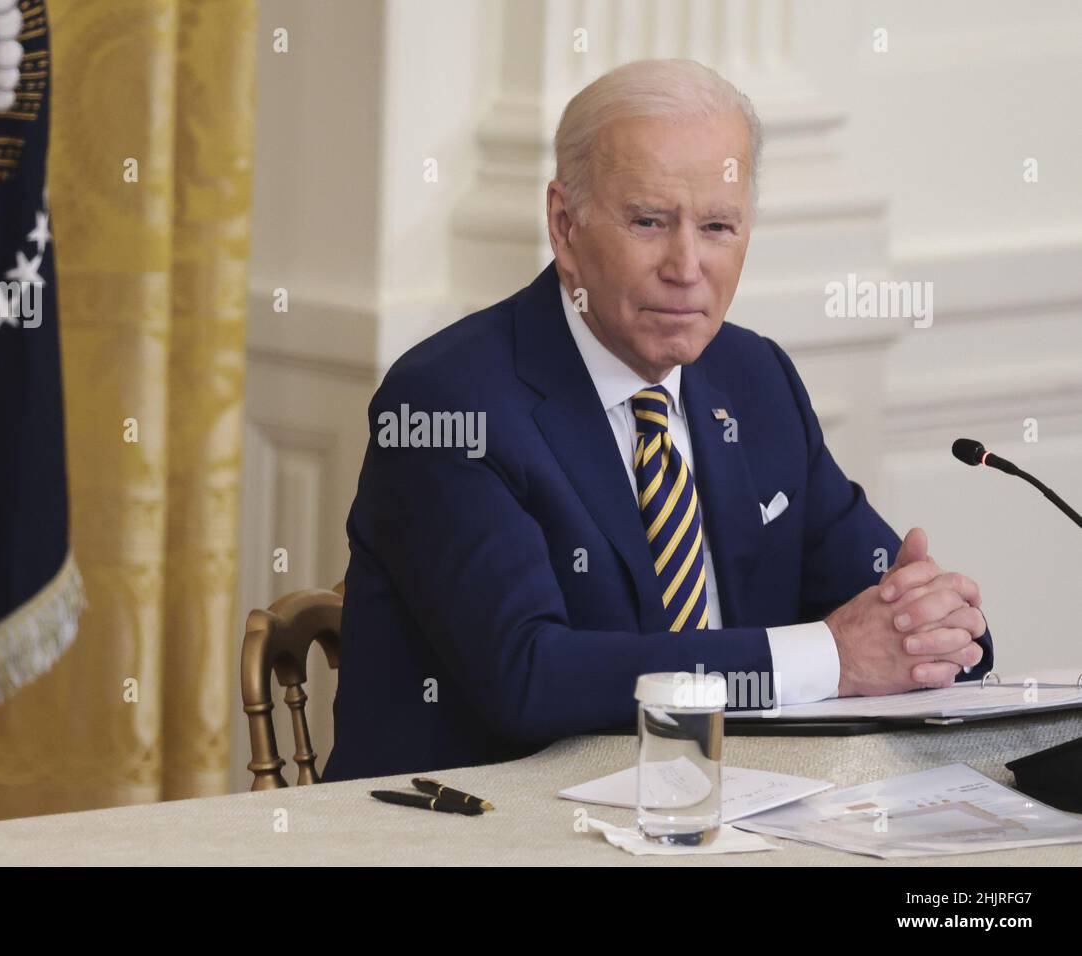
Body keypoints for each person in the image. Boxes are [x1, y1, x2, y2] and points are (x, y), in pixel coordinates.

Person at [324, 59, 990, 782]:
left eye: (717, 226)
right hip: (471, 832)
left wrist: (934, 626)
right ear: (565, 225)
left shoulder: (754, 379)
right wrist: (831, 656)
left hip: (730, 819)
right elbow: (529, 677)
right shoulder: (447, 404)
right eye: (649, 222)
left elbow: (895, 616)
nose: (686, 265)